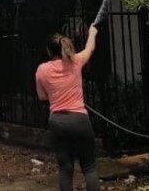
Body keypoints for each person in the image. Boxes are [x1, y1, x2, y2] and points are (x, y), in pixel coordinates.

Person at [35, 24, 100, 191]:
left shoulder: (42, 70)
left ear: (49, 51)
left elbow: (42, 96)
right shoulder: (75, 61)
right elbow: (90, 48)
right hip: (79, 119)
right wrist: (92, 32)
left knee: (65, 168)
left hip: (57, 121)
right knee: (89, 167)